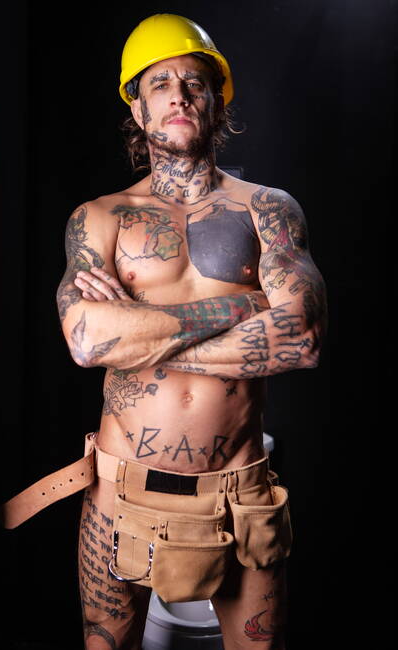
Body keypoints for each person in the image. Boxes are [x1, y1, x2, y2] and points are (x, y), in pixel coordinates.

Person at [56, 13, 327, 650]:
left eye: (194, 83)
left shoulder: (267, 209)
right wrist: (243, 307)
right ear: (138, 109)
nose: (178, 94)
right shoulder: (99, 218)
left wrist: (141, 339)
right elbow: (87, 340)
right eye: (160, 83)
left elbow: (303, 338)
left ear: (216, 102)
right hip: (121, 492)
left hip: (240, 496)